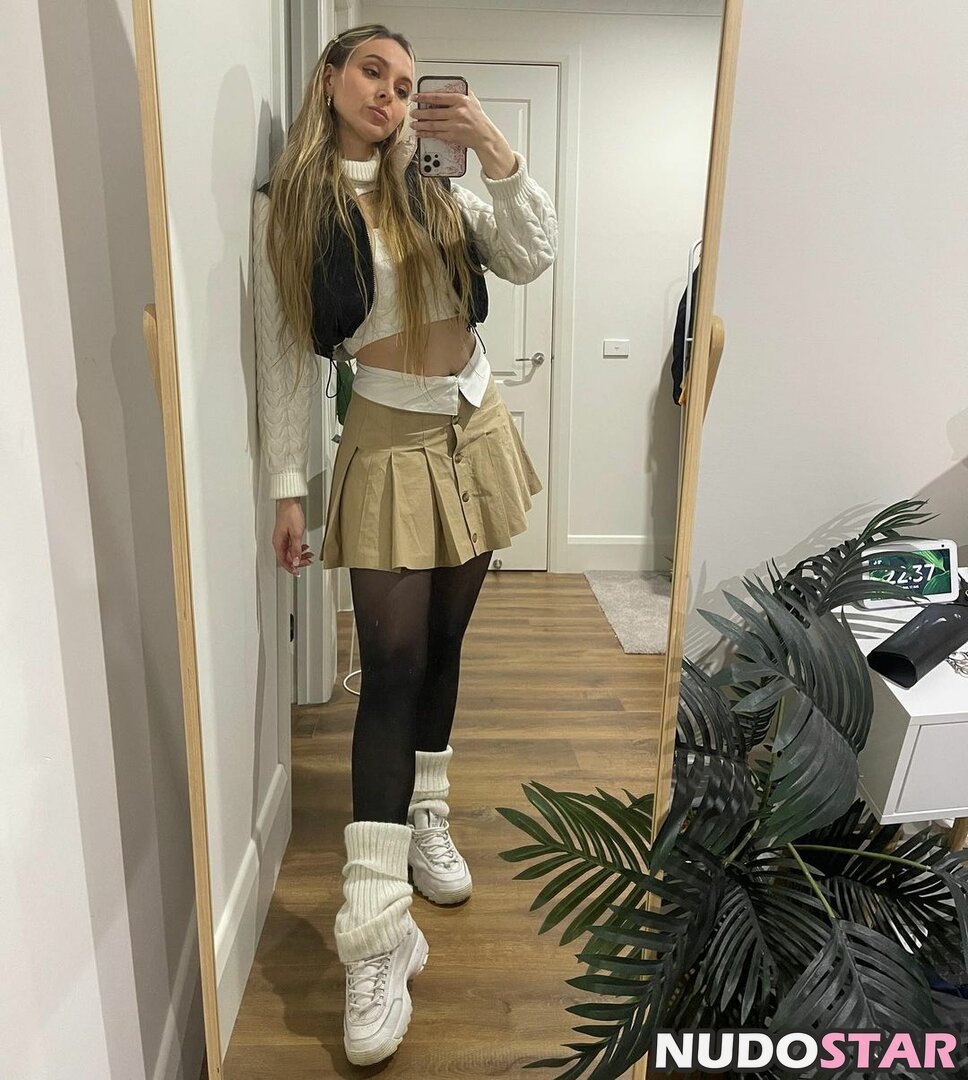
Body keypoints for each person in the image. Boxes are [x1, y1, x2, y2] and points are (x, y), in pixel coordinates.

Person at [253, 23, 557, 1066]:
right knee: (389, 666)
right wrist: (289, 486)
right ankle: (377, 932)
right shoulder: (294, 205)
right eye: (373, 72)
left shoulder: (437, 188)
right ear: (331, 78)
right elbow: (285, 355)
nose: (390, 93)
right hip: (386, 439)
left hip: (476, 423)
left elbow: (530, 255)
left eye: (407, 82)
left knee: (444, 648)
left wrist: (493, 148)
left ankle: (429, 813)